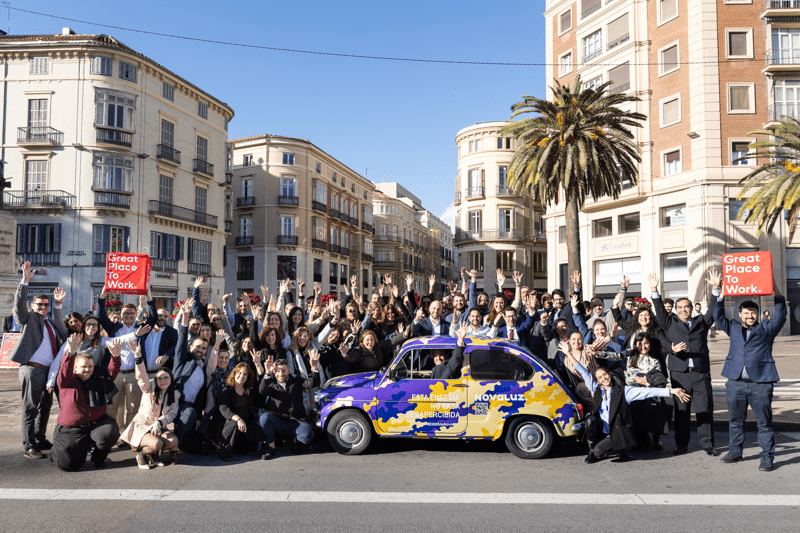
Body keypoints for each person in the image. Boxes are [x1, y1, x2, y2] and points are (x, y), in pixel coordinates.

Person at [561, 340, 690, 464]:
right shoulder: (597, 389)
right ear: (598, 380)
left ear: (610, 375)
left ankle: (620, 450)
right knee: (590, 421)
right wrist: (568, 353)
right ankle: (593, 451)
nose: (603, 378)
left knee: (599, 450)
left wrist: (672, 391)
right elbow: (583, 372)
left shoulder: (624, 391)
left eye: (605, 375)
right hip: (604, 427)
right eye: (600, 377)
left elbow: (648, 392)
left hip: (617, 430)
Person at [709, 269, 787, 471]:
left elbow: (781, 313)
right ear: (740, 314)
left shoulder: (767, 329)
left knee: (764, 423)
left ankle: (767, 457)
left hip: (761, 383)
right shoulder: (733, 327)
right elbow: (717, 315)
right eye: (746, 313)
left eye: (753, 312)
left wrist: (775, 289)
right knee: (735, 421)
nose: (750, 315)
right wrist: (718, 290)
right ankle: (735, 452)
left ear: (757, 314)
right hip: (735, 383)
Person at [648, 272, 717, 456]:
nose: (683, 310)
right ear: (676, 309)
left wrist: (716, 290)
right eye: (680, 307)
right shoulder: (670, 323)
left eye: (686, 307)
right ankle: (682, 444)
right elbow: (660, 312)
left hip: (701, 373)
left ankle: (708, 444)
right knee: (682, 411)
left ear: (691, 308)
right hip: (680, 374)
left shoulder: (701, 322)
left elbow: (712, 311)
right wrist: (655, 290)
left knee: (705, 410)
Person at [10, 262, 68, 458]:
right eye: (40, 305)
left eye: (46, 305)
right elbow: (18, 306)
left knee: (45, 407)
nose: (43, 307)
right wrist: (25, 282)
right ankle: (28, 446)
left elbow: (63, 330)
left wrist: (58, 305)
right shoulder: (28, 319)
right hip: (32, 370)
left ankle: (39, 438)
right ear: (33, 306)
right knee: (30, 408)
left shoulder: (50, 323)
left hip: (48, 372)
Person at [51, 333, 123, 471]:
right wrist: (71, 354)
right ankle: (56, 452)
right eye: (83, 367)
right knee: (70, 466)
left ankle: (98, 458)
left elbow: (111, 373)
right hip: (71, 429)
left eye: (90, 366)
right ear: (75, 368)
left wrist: (115, 357)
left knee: (110, 432)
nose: (87, 370)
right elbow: (65, 369)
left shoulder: (98, 377)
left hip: (94, 423)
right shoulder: (67, 381)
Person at [97, 287, 158, 443]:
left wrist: (148, 296)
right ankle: (113, 436)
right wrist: (102, 297)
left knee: (133, 409)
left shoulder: (142, 329)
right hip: (115, 374)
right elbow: (100, 316)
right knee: (112, 409)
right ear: (121, 315)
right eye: (126, 313)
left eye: (132, 313)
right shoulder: (113, 328)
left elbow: (154, 317)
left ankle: (128, 438)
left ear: (135, 314)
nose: (129, 316)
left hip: (133, 374)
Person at [593, 332, 670, 451]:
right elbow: (616, 355)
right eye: (640, 343)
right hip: (629, 392)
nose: (643, 346)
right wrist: (599, 354)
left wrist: (646, 381)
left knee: (647, 413)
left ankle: (653, 440)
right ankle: (638, 441)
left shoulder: (654, 361)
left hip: (645, 393)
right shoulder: (630, 355)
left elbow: (659, 381)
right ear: (635, 345)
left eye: (646, 343)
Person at [120, 341, 180, 469]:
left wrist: (160, 422)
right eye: (160, 378)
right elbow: (141, 377)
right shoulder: (149, 387)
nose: (163, 381)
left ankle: (154, 455)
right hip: (143, 426)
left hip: (158, 427)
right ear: (155, 380)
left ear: (171, 379)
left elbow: (172, 413)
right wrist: (138, 357)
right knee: (156, 443)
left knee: (173, 441)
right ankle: (142, 455)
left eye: (166, 377)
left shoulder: (175, 394)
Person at [258, 354, 320, 459]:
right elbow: (262, 391)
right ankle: (271, 448)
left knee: (307, 436)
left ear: (288, 370)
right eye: (277, 371)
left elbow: (312, 383)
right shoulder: (272, 383)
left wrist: (314, 368)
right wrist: (267, 373)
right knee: (264, 418)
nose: (280, 374)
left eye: (283, 370)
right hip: (280, 422)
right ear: (274, 372)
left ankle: (295, 440)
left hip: (297, 421)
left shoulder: (296, 380)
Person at [172, 299, 211, 452]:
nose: (200, 350)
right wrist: (185, 317)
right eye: (197, 347)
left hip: (191, 410)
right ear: (191, 347)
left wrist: (200, 416)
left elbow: (200, 396)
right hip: (176, 404)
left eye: (203, 348)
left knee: (194, 449)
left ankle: (178, 439)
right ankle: (173, 445)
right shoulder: (183, 360)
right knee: (190, 414)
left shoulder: (203, 368)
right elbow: (181, 340)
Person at [217, 362, 264, 461]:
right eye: (239, 372)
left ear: (248, 377)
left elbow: (260, 395)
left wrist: (260, 368)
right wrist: (238, 419)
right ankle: (225, 450)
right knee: (233, 424)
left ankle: (239, 447)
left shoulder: (248, 390)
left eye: (245, 374)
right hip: (229, 423)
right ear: (234, 373)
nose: (241, 376)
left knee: (257, 433)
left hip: (245, 423)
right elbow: (224, 409)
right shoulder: (227, 390)